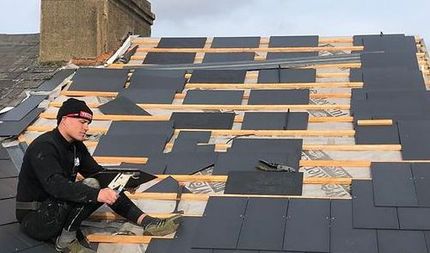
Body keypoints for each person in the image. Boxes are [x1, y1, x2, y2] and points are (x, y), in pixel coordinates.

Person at [16, 98, 182, 253]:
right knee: (92, 186)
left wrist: (125, 180)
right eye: (82, 122)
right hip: (36, 218)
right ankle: (65, 242)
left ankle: (147, 222)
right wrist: (98, 194)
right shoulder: (44, 147)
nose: (86, 127)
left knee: (106, 182)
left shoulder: (76, 147)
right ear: (64, 120)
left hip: (57, 207)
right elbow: (56, 185)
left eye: (88, 123)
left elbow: (100, 175)